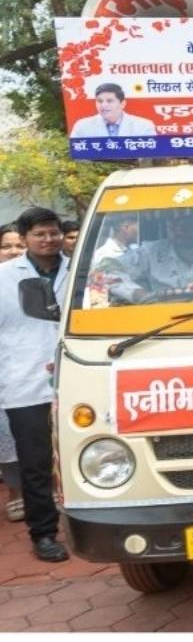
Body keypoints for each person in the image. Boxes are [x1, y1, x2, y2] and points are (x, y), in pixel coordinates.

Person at [0, 208, 71, 561]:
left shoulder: (80, 270)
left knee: (85, 454)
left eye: (53, 233)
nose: (48, 240)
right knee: (35, 463)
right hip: (24, 383)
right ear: (25, 237)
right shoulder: (4, 278)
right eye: (40, 234)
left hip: (77, 379)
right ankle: (43, 533)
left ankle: (91, 523)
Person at [0, 224, 22, 522]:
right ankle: (16, 493)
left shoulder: (38, 280)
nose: (14, 251)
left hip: (33, 369)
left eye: (19, 245)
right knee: (6, 434)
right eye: (7, 246)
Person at [69, 82, 156, 138]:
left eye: (109, 101)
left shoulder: (144, 125)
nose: (103, 105)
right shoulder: (82, 126)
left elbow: (150, 155)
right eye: (100, 101)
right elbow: (77, 156)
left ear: (122, 104)